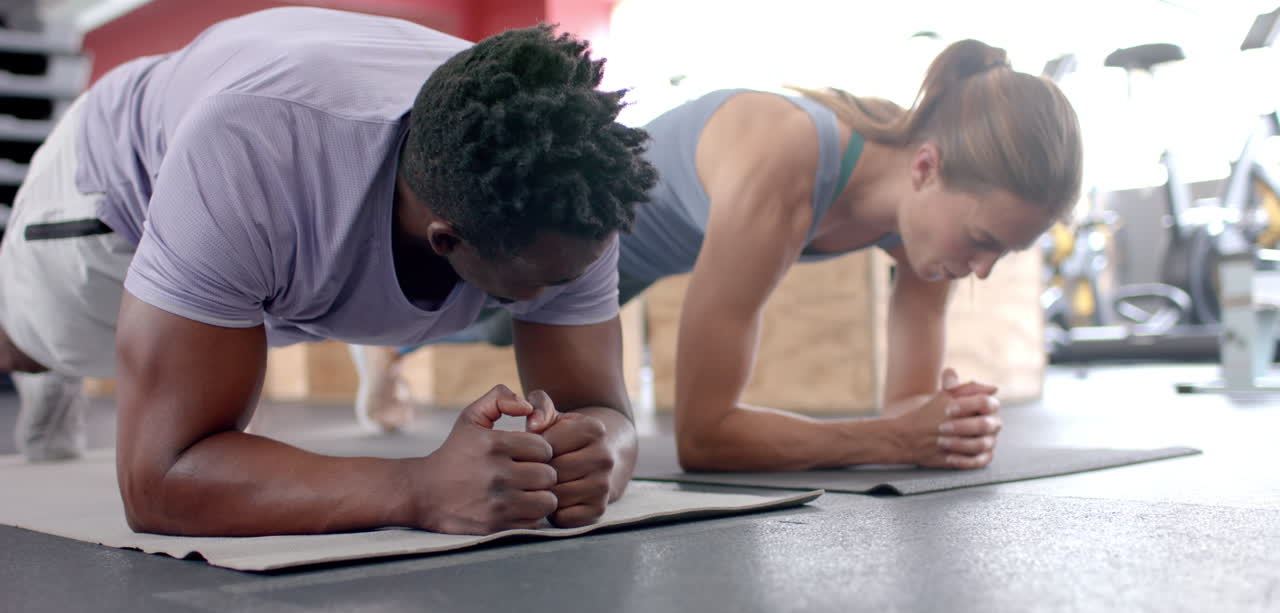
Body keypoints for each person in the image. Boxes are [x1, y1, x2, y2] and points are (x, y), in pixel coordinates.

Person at [0, 7, 657, 535]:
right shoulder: (248, 151)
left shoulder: (569, 190)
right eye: (542, 286)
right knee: (30, 344)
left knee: (277, 282)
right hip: (112, 204)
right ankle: (50, 366)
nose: (563, 292)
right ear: (447, 240)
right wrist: (417, 487)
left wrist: (603, 450)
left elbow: (600, 410)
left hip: (294, 212)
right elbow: (161, 481)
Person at [354, 38, 1083, 472]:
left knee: (485, 328)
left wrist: (943, 426)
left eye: (1002, 255)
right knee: (462, 315)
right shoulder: (787, 157)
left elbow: (905, 413)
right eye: (984, 243)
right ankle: (382, 355)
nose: (981, 269)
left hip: (650, 258)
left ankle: (391, 355)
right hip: (569, 243)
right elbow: (703, 435)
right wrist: (893, 435)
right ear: (925, 167)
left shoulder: (928, 230)